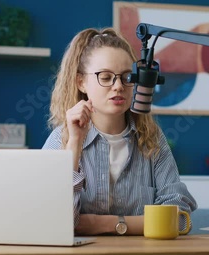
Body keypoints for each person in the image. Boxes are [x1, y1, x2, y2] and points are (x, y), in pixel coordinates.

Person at [42, 27, 197, 236]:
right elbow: (50, 222)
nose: (118, 86)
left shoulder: (151, 140)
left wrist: (102, 224)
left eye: (126, 77)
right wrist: (75, 144)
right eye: (105, 77)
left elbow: (179, 219)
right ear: (81, 82)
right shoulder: (59, 139)